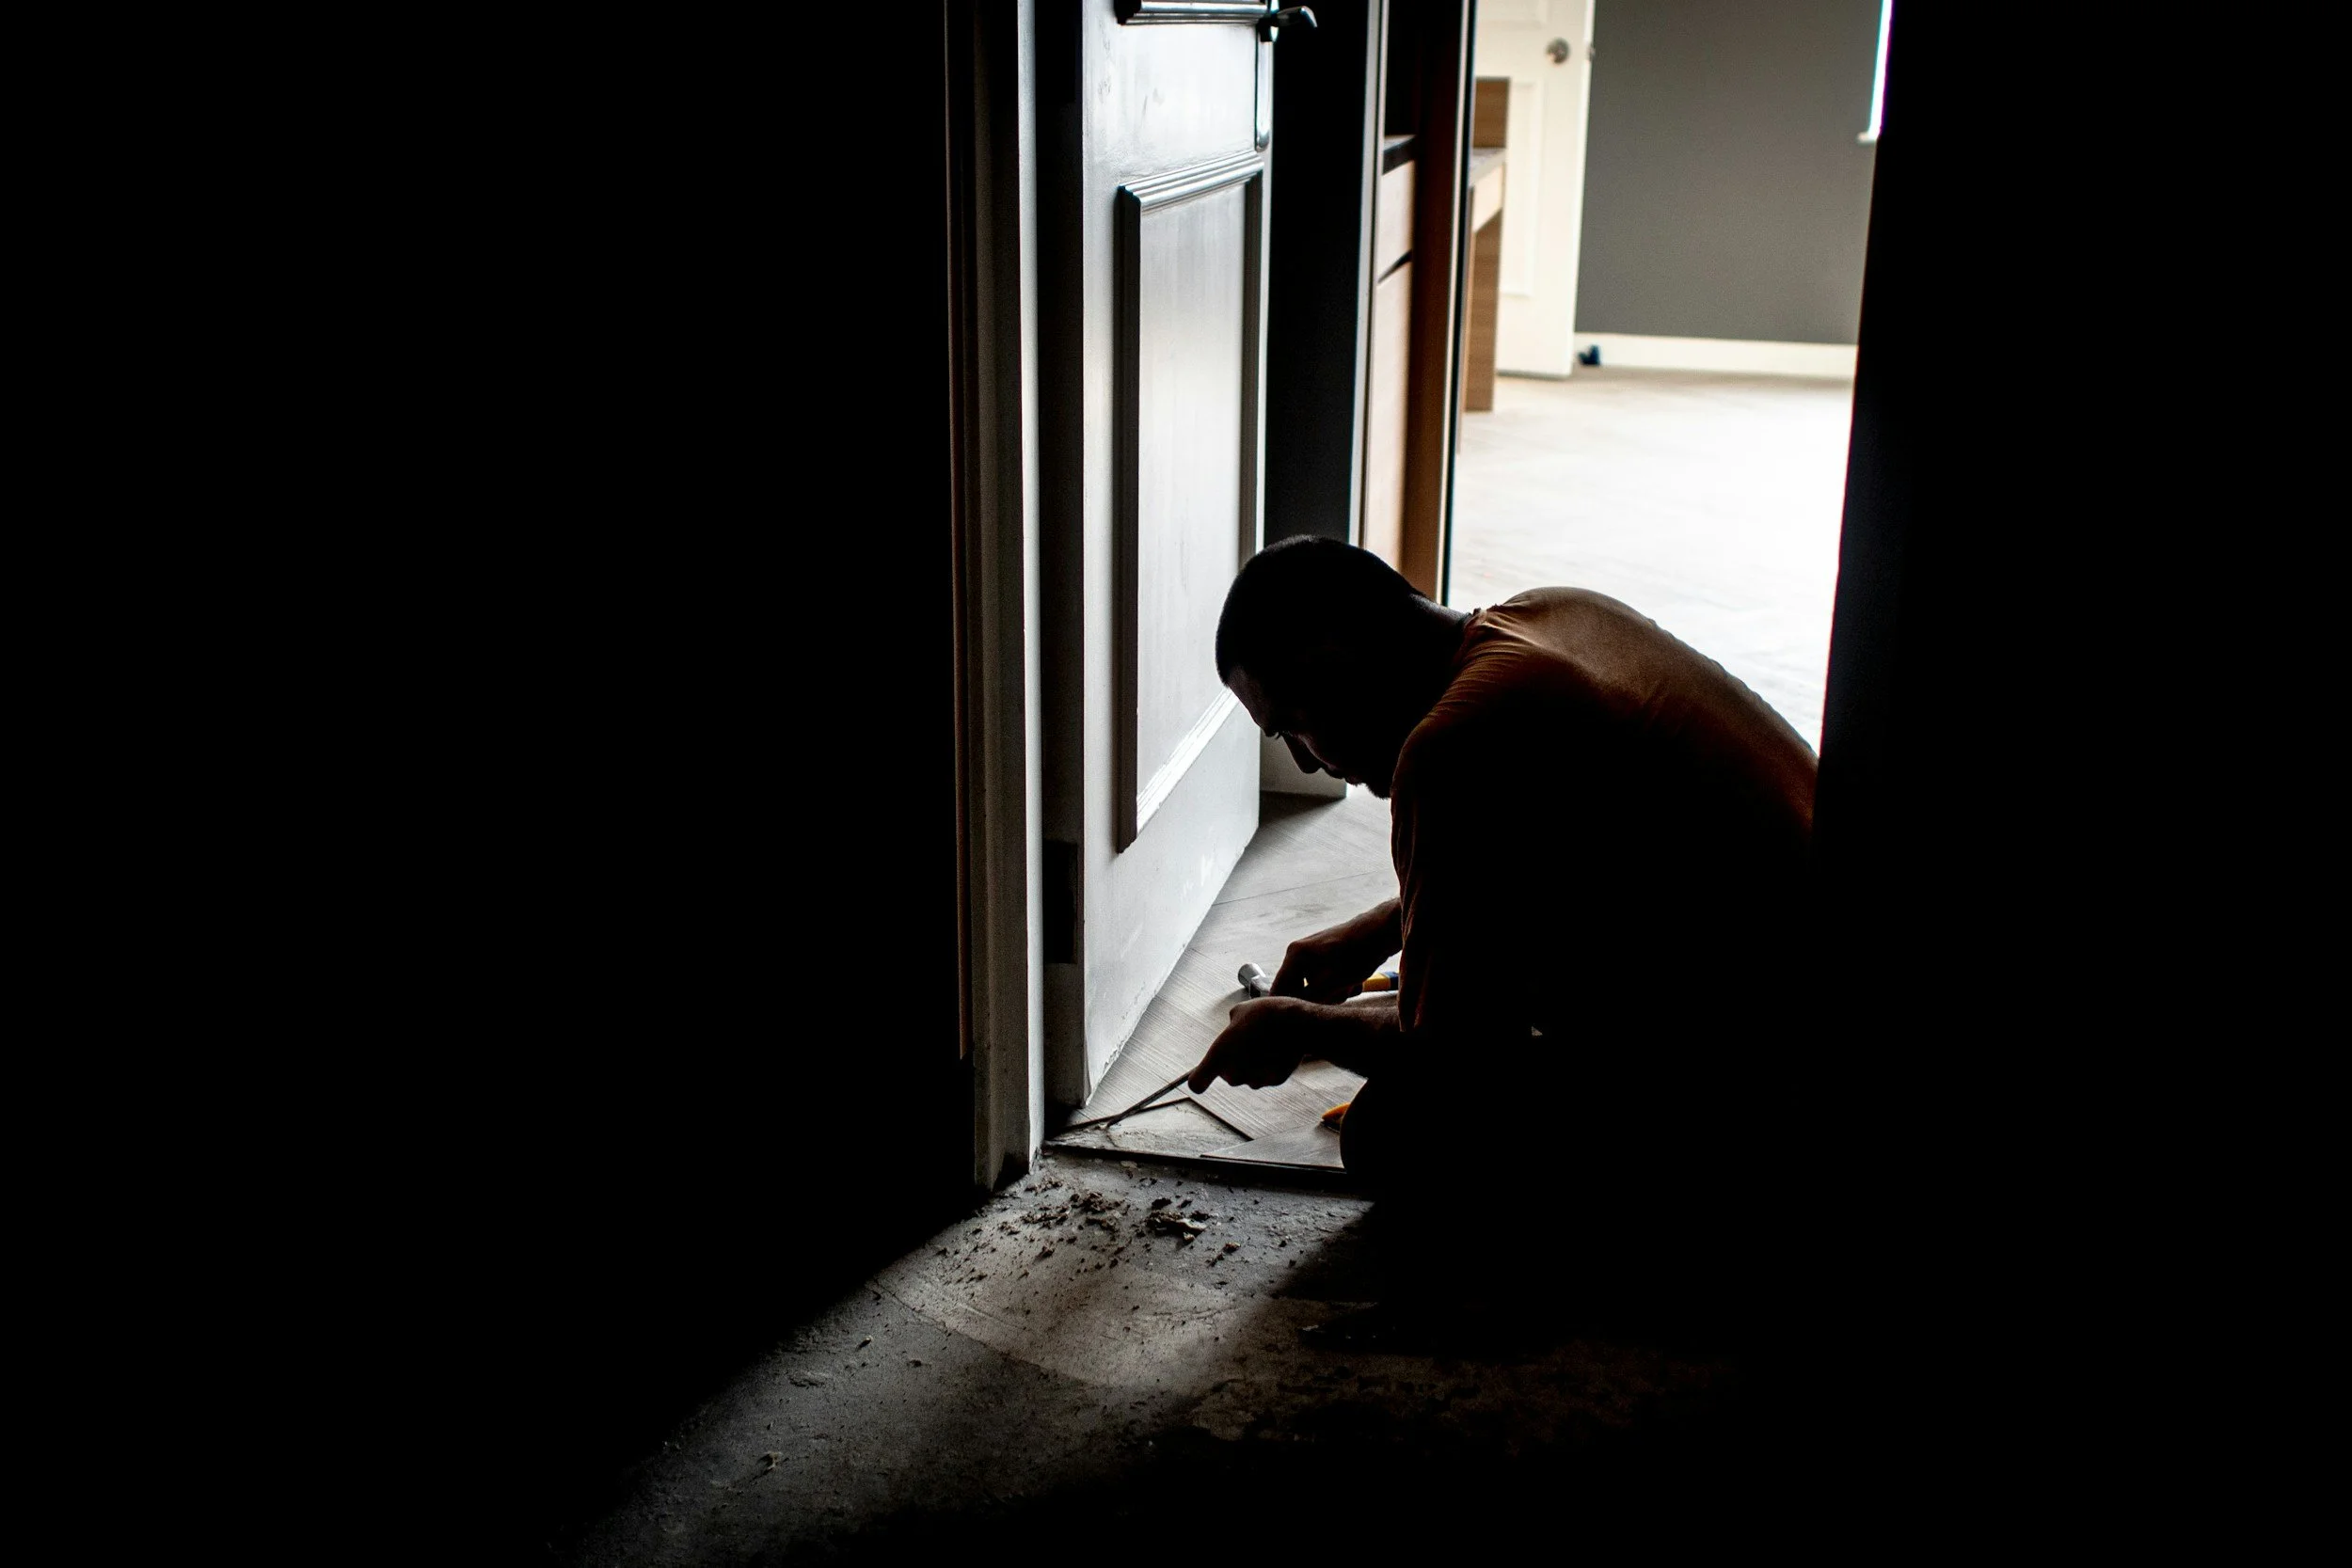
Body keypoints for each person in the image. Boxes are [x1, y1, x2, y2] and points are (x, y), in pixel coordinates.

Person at [1188, 538, 1817, 1234]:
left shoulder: (1448, 752)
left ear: (1338, 666)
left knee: (1398, 1134)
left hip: (1775, 1083)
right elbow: (1540, 851)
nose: (1308, 765)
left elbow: (1456, 1064)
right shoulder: (1547, 614)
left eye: (1296, 728)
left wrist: (1306, 1025)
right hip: (1807, 964)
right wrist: (1379, 929)